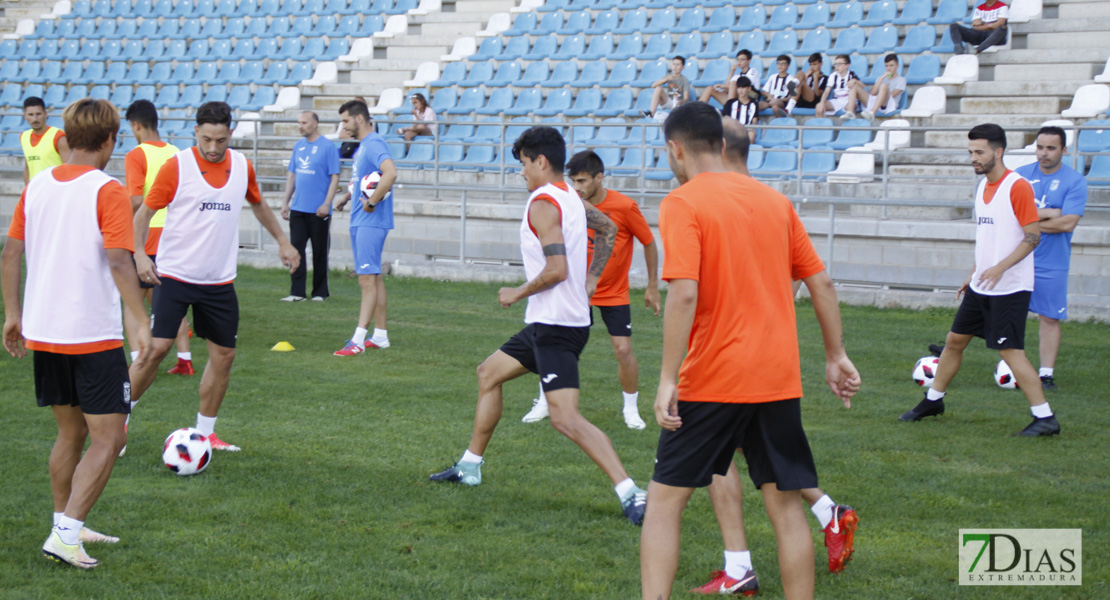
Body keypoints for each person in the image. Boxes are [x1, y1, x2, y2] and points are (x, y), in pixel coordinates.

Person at [640, 103, 861, 600]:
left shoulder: (683, 201)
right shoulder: (775, 202)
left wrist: (667, 378)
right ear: (720, 144)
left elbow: (685, 292)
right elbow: (821, 282)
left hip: (714, 377)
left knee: (664, 502)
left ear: (675, 149)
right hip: (777, 376)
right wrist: (835, 354)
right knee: (784, 505)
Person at [430, 126, 650, 526]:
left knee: (564, 417)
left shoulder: (544, 203)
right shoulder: (571, 195)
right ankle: (470, 466)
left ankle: (632, 493)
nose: (522, 172)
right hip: (547, 322)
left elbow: (556, 268)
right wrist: (592, 282)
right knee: (488, 374)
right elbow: (609, 230)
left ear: (541, 161)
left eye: (523, 164)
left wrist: (518, 291)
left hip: (557, 326)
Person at [2, 98, 152, 569]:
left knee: (70, 434)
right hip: (90, 334)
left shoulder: (38, 186)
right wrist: (140, 320)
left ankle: (65, 522)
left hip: (44, 332)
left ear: (64, 137)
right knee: (108, 438)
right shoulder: (106, 190)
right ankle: (65, 536)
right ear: (110, 140)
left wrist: (12, 313)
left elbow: (10, 253)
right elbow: (117, 260)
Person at [128, 101, 300, 452]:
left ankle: (206, 434)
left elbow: (259, 205)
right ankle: (117, 422)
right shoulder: (177, 167)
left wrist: (284, 241)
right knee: (155, 350)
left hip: (219, 282)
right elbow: (142, 215)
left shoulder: (241, 166)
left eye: (220, 140)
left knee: (224, 356)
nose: (212, 147)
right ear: (196, 132)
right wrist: (141, 254)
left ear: (230, 134)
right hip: (175, 276)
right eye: (206, 139)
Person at [899, 124, 1058, 437]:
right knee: (954, 341)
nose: (973, 157)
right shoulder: (982, 187)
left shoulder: (1017, 186)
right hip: (982, 285)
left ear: (998, 152)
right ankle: (933, 401)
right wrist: (974, 273)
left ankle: (1045, 417)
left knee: (1010, 352)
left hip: (1010, 287)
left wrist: (999, 268)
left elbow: (1033, 236)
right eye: (971, 152)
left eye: (979, 152)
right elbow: (990, 238)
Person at [521, 150, 661, 430]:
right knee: (555, 345)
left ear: (600, 177)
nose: (578, 187)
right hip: (574, 290)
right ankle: (545, 402)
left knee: (623, 350)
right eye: (574, 181)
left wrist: (652, 286)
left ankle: (631, 410)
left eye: (583, 181)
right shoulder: (570, 203)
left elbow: (648, 242)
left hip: (614, 292)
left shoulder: (624, 206)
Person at [1014, 126, 1087, 391]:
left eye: (1051, 148)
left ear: (1064, 150)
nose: (1044, 153)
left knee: (1049, 317)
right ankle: (954, 347)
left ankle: (1045, 375)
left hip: (1052, 261)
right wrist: (1051, 212)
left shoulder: (1075, 181)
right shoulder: (1020, 176)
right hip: (1018, 256)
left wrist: (1030, 220)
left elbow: (1068, 223)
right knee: (997, 308)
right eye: (1040, 147)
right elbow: (1010, 218)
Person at [123, 100, 193, 379]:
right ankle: (184, 359)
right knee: (169, 297)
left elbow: (136, 200)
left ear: (135, 125)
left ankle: (137, 361)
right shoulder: (177, 153)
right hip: (175, 233)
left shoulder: (136, 155)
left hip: (149, 232)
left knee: (132, 300)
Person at [332, 99, 397, 355]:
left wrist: (371, 203)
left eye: (346, 120)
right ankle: (380, 335)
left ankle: (358, 340)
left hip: (370, 221)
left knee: (366, 279)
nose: (344, 126)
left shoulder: (375, 143)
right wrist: (347, 198)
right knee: (374, 278)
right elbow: (367, 181)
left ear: (359, 119)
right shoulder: (365, 147)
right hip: (362, 220)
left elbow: (390, 173)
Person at [280, 111, 341, 302]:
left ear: (315, 123)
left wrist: (326, 203)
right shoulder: (298, 146)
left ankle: (320, 292)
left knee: (320, 251)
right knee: (296, 251)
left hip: (318, 210)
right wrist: (285, 202)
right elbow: (292, 175)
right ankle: (297, 292)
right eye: (299, 122)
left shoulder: (327, 147)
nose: (300, 126)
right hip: (298, 208)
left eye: (304, 122)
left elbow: (335, 177)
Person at [20, 96, 71, 183]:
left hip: (54, 190)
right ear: (25, 116)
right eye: (31, 115)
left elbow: (69, 169)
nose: (35, 119)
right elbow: (28, 167)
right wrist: (27, 190)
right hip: (35, 191)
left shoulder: (58, 136)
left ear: (45, 114)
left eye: (38, 114)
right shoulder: (24, 136)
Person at [859, 54, 907, 120]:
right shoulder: (881, 78)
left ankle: (872, 112)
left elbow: (893, 95)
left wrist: (883, 89)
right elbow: (872, 93)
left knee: (884, 85)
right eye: (886, 66)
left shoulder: (901, 80)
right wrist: (882, 77)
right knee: (857, 88)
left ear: (897, 66)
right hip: (878, 103)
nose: (889, 68)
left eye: (891, 65)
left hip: (890, 104)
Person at [816, 55, 862, 119]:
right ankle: (821, 127)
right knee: (819, 106)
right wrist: (822, 102)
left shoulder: (852, 75)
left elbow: (862, 86)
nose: (837, 66)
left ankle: (850, 125)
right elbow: (826, 91)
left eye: (840, 64)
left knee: (851, 107)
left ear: (847, 65)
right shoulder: (833, 75)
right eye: (836, 64)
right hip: (837, 100)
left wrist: (855, 81)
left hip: (849, 100)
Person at [720, 77, 759, 144]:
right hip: (732, 130)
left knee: (751, 135)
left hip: (747, 130)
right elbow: (726, 119)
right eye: (739, 88)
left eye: (743, 87)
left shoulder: (754, 104)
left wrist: (751, 128)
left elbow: (754, 120)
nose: (740, 90)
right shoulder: (730, 103)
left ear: (749, 89)